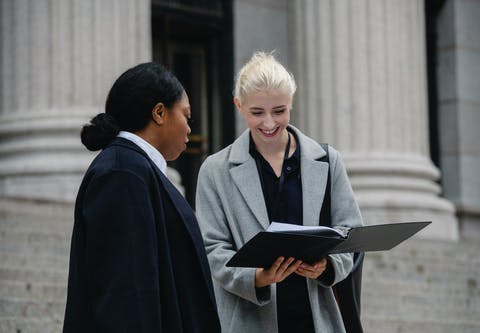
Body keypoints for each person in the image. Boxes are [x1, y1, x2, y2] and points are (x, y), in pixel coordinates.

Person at [195, 52, 363, 332]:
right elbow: (212, 249)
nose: (269, 123)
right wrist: (257, 277)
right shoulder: (214, 170)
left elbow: (350, 233)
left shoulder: (328, 160)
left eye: (279, 111)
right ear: (238, 105)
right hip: (248, 319)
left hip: (316, 317)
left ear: (292, 103)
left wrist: (328, 265)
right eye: (257, 113)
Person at [63, 62, 221, 333]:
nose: (189, 129)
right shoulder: (122, 172)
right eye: (186, 116)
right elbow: (124, 294)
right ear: (159, 113)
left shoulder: (135, 169)